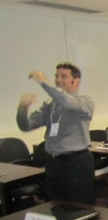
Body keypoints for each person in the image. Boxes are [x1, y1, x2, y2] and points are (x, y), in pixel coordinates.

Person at [16, 62, 95, 205]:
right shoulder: (50, 105)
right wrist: (22, 108)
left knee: (82, 206)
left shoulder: (85, 102)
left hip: (76, 162)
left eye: (64, 76)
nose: (58, 80)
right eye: (56, 76)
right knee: (55, 205)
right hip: (53, 163)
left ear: (76, 81)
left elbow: (67, 102)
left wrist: (43, 82)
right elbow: (26, 126)